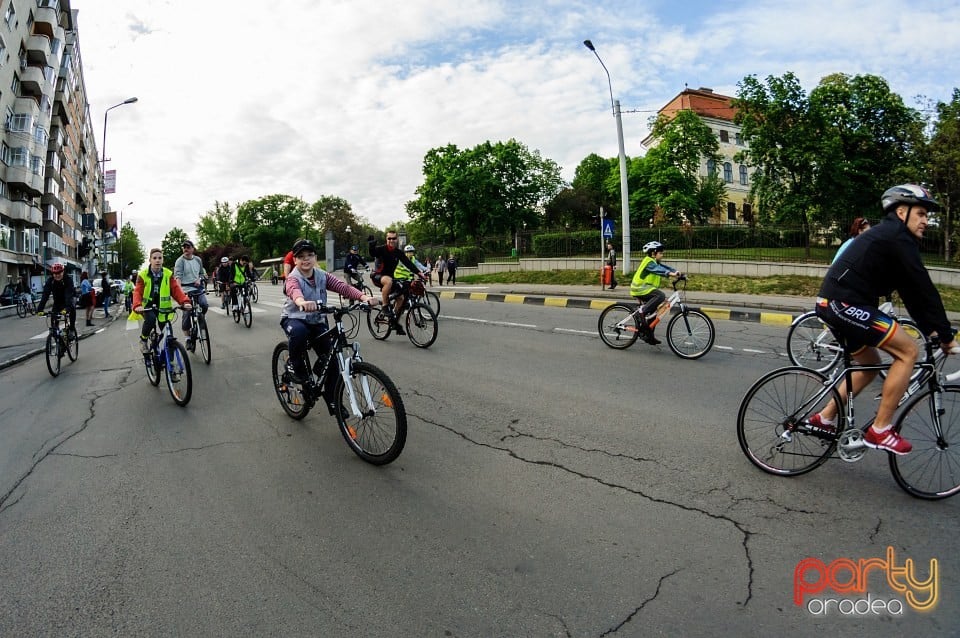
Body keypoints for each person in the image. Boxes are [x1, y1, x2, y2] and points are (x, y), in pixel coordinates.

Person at [809, 184, 958, 455]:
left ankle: (825, 418)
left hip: (836, 303)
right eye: (921, 214)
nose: (926, 221)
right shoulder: (896, 237)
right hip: (843, 304)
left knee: (869, 366)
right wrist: (946, 335)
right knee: (908, 352)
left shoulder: (895, 238)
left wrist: (931, 331)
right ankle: (880, 430)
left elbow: (912, 293)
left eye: (927, 216)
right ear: (902, 212)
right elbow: (925, 288)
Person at [281, 239, 377, 415]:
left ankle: (331, 398)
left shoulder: (321, 275)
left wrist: (364, 298)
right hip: (295, 318)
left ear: (315, 257)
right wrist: (302, 302)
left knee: (332, 361)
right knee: (300, 333)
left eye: (309, 255)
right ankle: (295, 366)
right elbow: (294, 291)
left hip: (317, 320)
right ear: (295, 260)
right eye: (301, 257)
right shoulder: (293, 278)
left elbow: (342, 287)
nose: (306, 260)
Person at [132, 248, 192, 355]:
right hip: (148, 307)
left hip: (164, 308)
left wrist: (184, 302)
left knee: (169, 335)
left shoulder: (168, 274)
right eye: (154, 258)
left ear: (163, 260)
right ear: (150, 260)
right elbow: (137, 292)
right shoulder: (143, 275)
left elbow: (176, 290)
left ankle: (170, 361)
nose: (157, 260)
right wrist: (137, 305)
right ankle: (143, 340)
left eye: (160, 258)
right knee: (150, 320)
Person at [368, 231, 425, 334]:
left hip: (389, 278)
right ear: (386, 239)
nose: (391, 240)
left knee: (401, 298)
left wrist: (419, 273)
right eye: (389, 238)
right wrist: (371, 245)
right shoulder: (382, 249)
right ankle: (385, 306)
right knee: (389, 281)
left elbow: (408, 263)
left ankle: (393, 320)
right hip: (377, 276)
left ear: (397, 239)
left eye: (393, 238)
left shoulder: (398, 252)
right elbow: (373, 253)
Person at [629, 241, 683, 345]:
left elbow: (664, 268)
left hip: (647, 290)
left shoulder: (655, 262)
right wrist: (670, 274)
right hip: (639, 289)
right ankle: (641, 312)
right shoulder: (649, 262)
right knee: (660, 295)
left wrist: (677, 272)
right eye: (660, 253)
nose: (662, 255)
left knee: (654, 312)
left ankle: (649, 336)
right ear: (654, 253)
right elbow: (659, 270)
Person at [174, 239, 209, 349]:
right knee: (187, 313)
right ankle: (187, 339)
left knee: (204, 304)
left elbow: (201, 274)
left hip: (197, 287)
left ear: (193, 249)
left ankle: (200, 319)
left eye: (188, 247)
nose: (186, 249)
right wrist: (180, 292)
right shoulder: (180, 261)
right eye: (184, 247)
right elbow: (178, 277)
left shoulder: (198, 260)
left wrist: (199, 279)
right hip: (185, 288)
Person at [36, 262, 77, 334]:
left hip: (68, 301)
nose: (57, 275)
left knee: (72, 309)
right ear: (52, 273)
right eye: (55, 273)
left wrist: (67, 308)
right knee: (54, 325)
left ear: (63, 272)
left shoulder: (68, 280)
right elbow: (45, 295)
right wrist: (40, 309)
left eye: (59, 273)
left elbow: (68, 294)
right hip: (57, 303)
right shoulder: (50, 281)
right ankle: (58, 340)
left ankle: (72, 329)